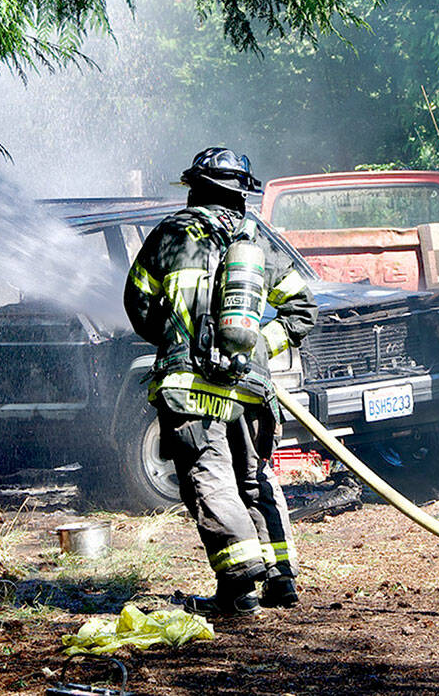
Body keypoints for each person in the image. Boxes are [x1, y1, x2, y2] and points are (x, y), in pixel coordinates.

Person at [124, 147, 318, 616]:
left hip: (189, 389)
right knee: (253, 481)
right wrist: (253, 348)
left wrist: (176, 337)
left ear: (194, 189)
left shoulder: (169, 236)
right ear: (241, 195)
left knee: (209, 480)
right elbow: (302, 309)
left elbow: (139, 306)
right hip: (249, 390)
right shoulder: (258, 242)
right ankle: (280, 581)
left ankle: (238, 589)